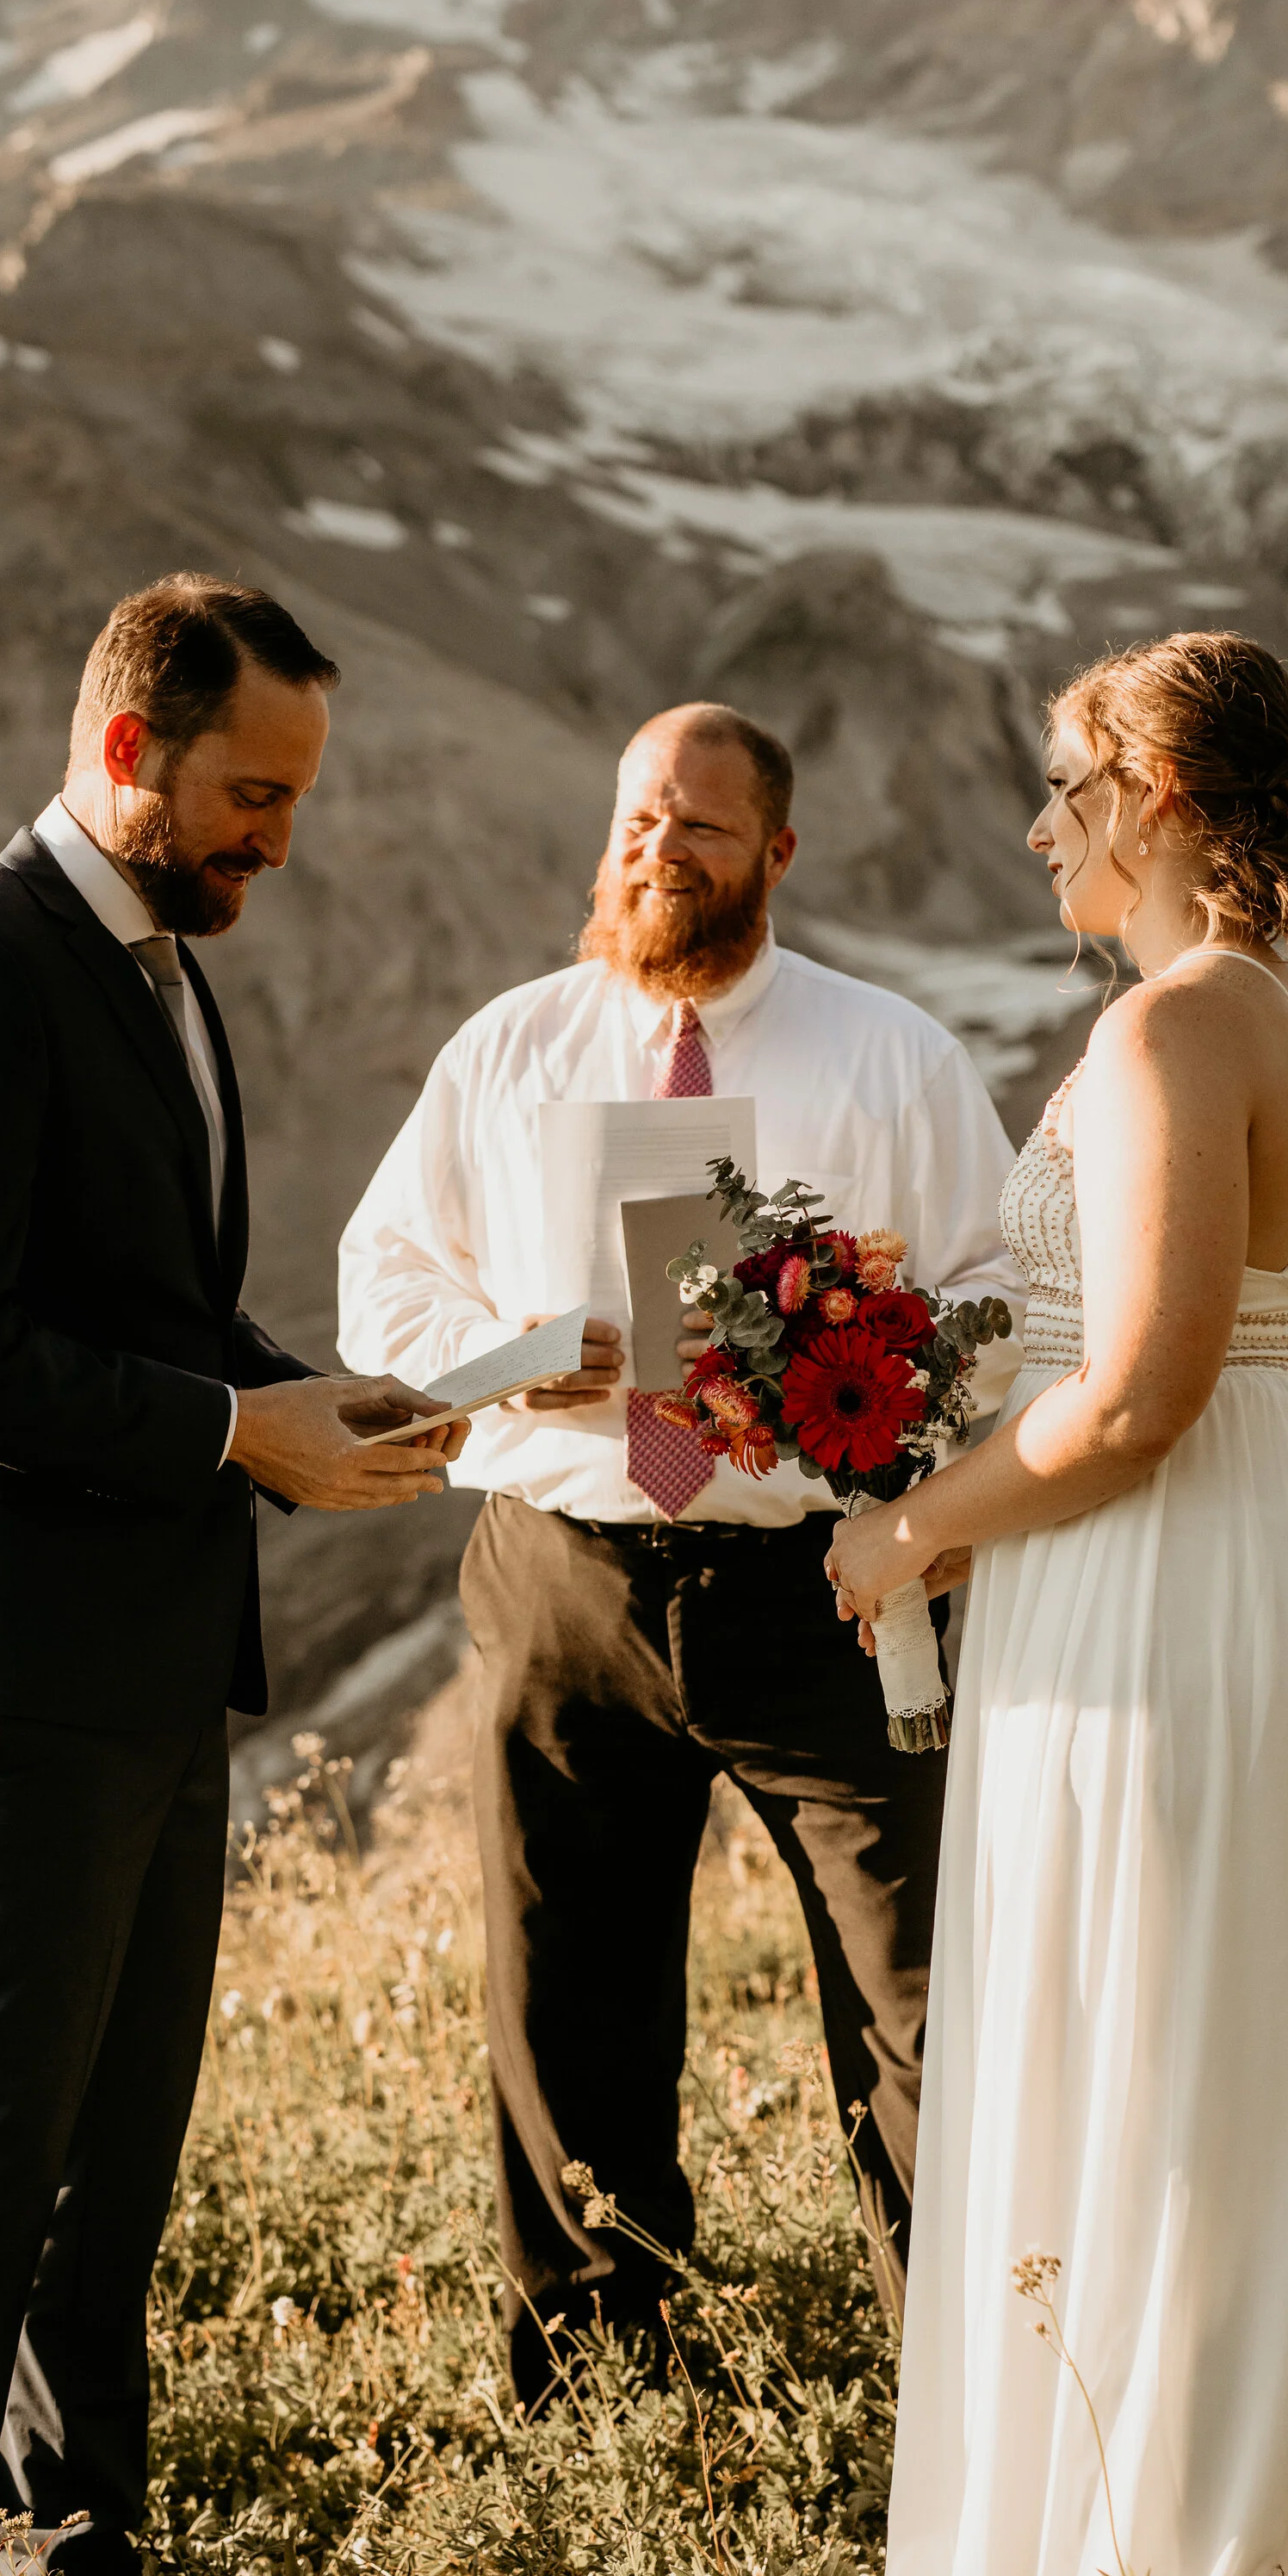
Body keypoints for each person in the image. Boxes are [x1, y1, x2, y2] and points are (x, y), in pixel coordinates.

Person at [0, 574, 461, 2576]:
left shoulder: (160, 959)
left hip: (157, 1657)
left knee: (116, 2160)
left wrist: (304, 1400)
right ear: (125, 755)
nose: (281, 837)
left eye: (295, 798)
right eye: (251, 795)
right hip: (3, 1670)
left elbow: (137, 1312)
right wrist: (219, 1431)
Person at [829, 633, 1288, 2576]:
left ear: (1165, 797)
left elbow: (1135, 1393)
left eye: (1065, 788)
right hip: (1283, 1558)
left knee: (1166, 2068)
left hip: (1184, 1581)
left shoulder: (1177, 1023)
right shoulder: (1276, 1026)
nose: (1038, 830)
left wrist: (910, 1529)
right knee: (1226, 2065)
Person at [338, 702, 1023, 2406]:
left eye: (699, 830)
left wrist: (848, 1357)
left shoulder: (891, 1058)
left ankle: (970, 2394)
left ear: (774, 856)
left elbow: (999, 1302)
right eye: (638, 819)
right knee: (566, 1997)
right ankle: (600, 2395)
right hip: (561, 1577)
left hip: (821, 1591)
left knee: (911, 1993)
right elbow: (380, 1288)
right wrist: (518, 1345)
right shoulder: (505, 1050)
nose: (656, 852)